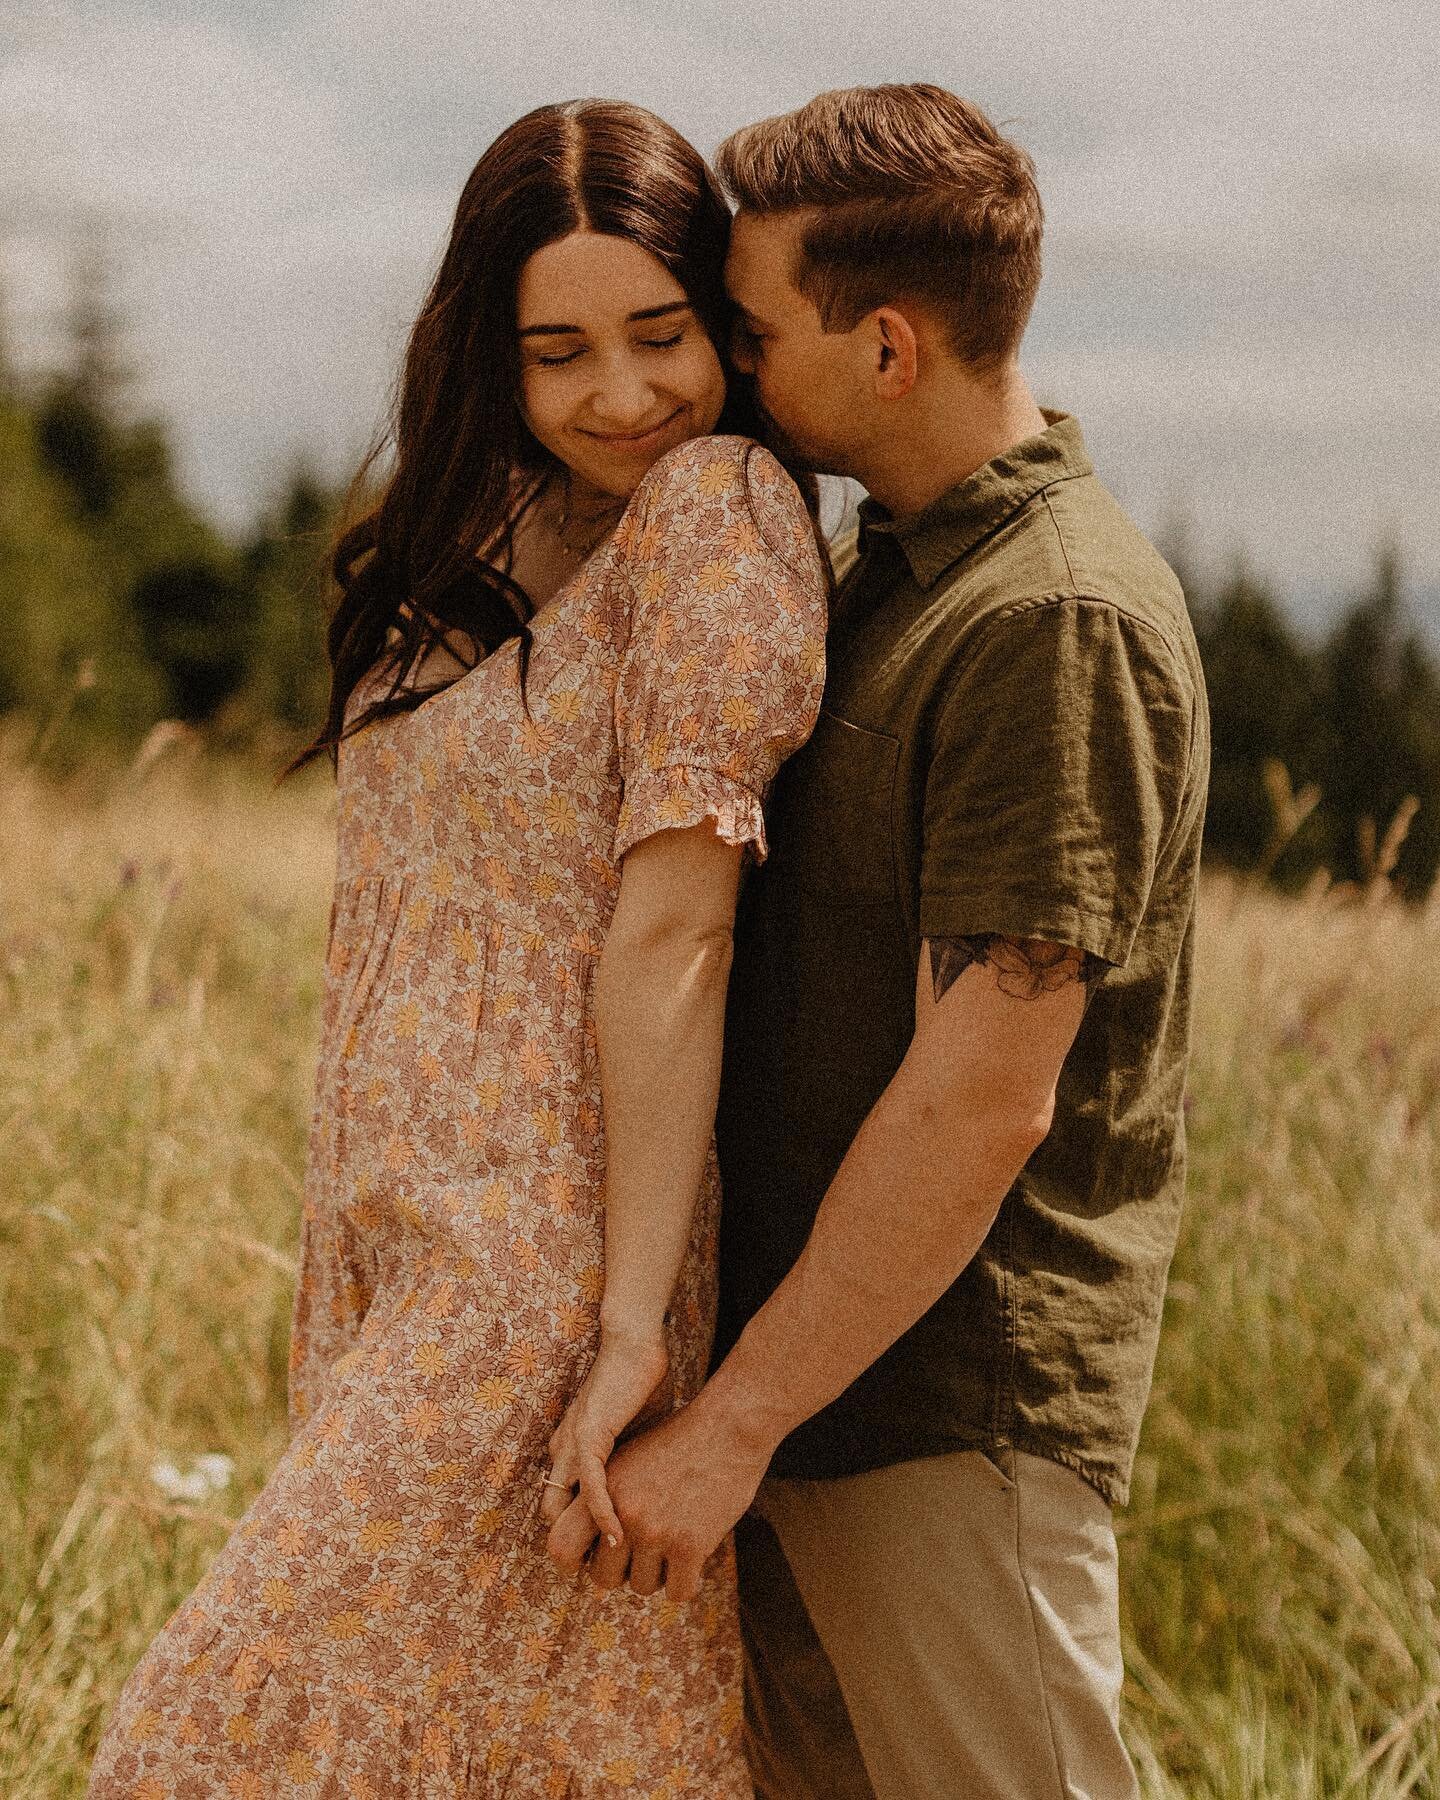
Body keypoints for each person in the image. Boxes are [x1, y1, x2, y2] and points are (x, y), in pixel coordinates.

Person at [86, 98, 828, 1798]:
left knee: (203, 1748)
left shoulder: (711, 515)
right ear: (489, 358)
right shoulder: (481, 523)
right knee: (483, 1745)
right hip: (384, 1234)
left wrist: (632, 1321)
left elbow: (680, 922)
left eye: (660, 335)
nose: (622, 395)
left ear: (721, 320)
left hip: (539, 1260)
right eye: (558, 351)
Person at [546, 84, 1210, 1800]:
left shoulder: (1048, 618)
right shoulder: (891, 578)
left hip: (946, 1427)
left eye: (754, 332)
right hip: (814, 1415)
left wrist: (732, 1429)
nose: (734, 372)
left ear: (890, 348)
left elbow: (984, 1095)